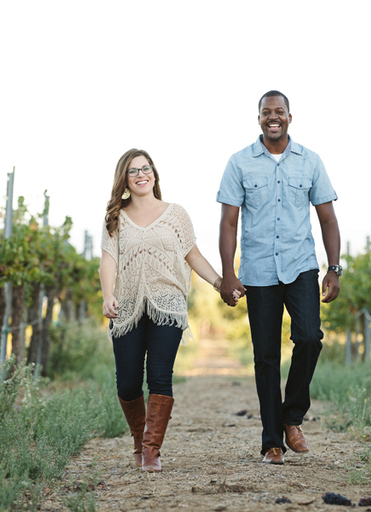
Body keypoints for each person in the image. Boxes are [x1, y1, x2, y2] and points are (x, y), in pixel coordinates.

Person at [216, 91, 341, 465]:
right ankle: (272, 441)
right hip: (258, 271)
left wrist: (333, 269)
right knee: (265, 356)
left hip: (301, 265)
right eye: (266, 113)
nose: (274, 118)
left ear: (290, 117)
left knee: (309, 338)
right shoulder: (239, 163)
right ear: (258, 119)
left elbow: (328, 219)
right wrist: (227, 273)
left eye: (279, 112)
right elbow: (228, 223)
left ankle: (291, 416)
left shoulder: (310, 162)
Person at [100, 148, 238, 472]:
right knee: (128, 383)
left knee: (160, 376)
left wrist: (220, 283)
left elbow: (194, 255)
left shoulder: (176, 214)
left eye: (146, 168)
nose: (141, 175)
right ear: (124, 178)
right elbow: (109, 260)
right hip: (128, 306)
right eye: (133, 171)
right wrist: (108, 295)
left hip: (168, 305)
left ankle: (150, 450)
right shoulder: (116, 217)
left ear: (154, 174)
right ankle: (138, 437)